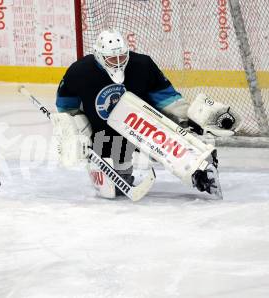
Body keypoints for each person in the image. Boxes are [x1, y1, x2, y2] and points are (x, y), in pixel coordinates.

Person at [54, 29, 232, 199]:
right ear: (99, 56)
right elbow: (66, 109)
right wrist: (76, 134)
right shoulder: (79, 72)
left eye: (121, 57)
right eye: (111, 59)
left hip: (142, 127)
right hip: (103, 135)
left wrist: (187, 117)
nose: (117, 62)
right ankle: (118, 169)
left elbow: (167, 99)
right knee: (118, 184)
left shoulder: (142, 65)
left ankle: (199, 169)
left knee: (178, 135)